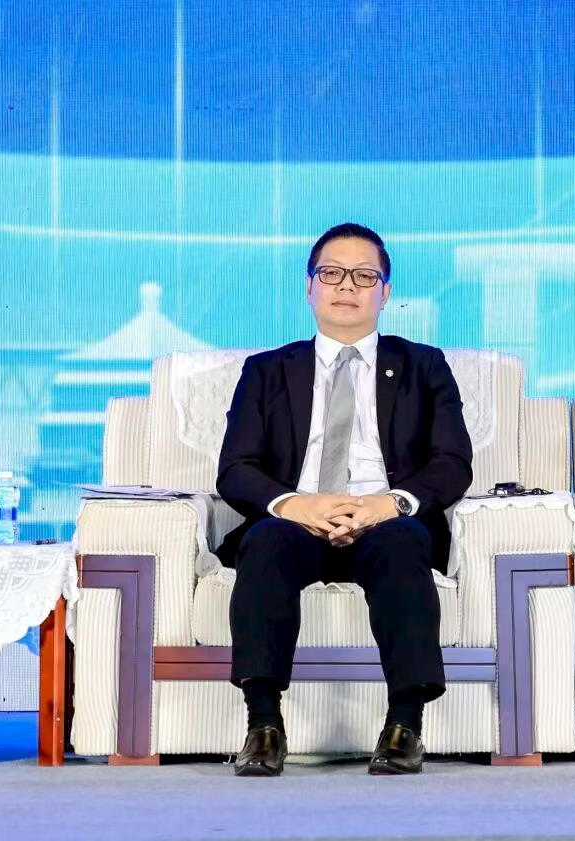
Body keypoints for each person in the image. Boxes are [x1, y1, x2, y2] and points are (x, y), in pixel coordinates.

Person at [216, 222, 473, 777]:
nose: (347, 286)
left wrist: (391, 502)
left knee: (404, 542)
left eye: (364, 276)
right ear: (309, 287)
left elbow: (453, 463)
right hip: (298, 521)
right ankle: (263, 725)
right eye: (331, 273)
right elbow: (235, 469)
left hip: (385, 522)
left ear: (386, 292)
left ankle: (404, 726)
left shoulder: (425, 366)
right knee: (264, 542)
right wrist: (295, 504)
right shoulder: (266, 370)